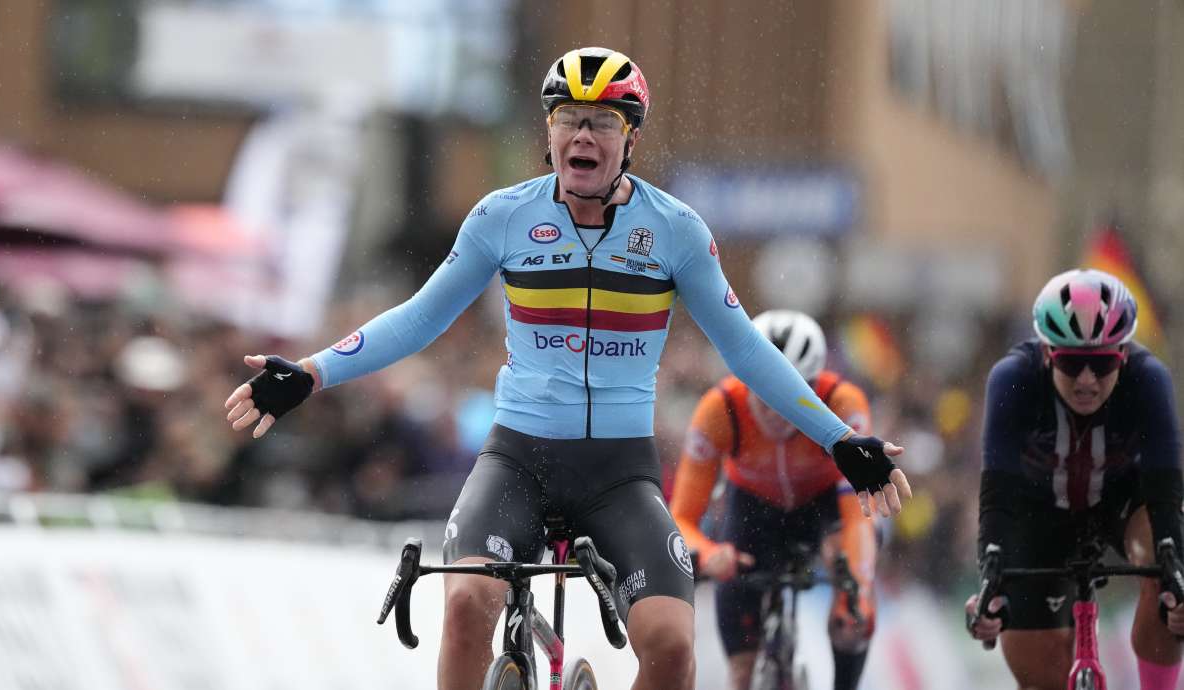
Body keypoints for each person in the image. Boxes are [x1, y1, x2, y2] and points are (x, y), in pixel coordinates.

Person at [224, 46, 911, 690]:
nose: (584, 135)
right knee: (464, 604)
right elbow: (418, 318)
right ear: (549, 133)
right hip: (517, 462)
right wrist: (310, 373)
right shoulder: (502, 216)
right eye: (569, 119)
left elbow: (747, 351)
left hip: (620, 477)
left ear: (630, 139)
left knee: (672, 648)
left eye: (603, 122)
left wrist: (838, 441)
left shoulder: (675, 230)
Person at [965, 268, 1184, 690]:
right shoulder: (1013, 378)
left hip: (1123, 504)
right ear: (1047, 354)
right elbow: (998, 494)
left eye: (1101, 364)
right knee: (1040, 674)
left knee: (1166, 571)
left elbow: (1165, 490)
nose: (1086, 380)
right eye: (1071, 362)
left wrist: (1175, 574)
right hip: (1037, 512)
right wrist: (990, 574)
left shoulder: (1149, 379)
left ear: (1122, 354)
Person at [671, 310, 878, 690]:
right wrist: (709, 553)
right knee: (741, 674)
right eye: (764, 393)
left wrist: (856, 592)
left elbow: (858, 518)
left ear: (815, 388)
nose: (778, 410)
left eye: (793, 393)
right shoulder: (718, 410)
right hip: (751, 511)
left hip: (825, 509)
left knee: (852, 617)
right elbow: (681, 518)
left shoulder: (844, 402)